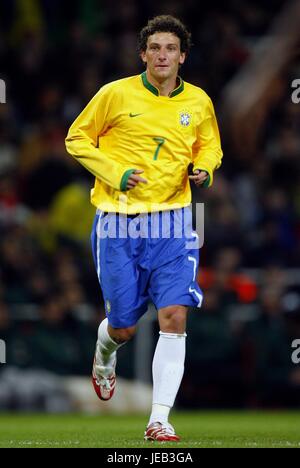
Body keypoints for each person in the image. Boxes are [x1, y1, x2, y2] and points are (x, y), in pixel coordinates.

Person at [65, 15, 223, 442]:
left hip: (174, 222)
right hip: (118, 222)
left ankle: (159, 419)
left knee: (174, 316)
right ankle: (105, 352)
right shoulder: (114, 94)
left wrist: (204, 171)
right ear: (143, 54)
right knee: (124, 327)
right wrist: (115, 172)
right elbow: (76, 138)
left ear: (182, 56)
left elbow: (210, 145)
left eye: (170, 48)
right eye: (154, 48)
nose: (162, 55)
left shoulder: (199, 103)